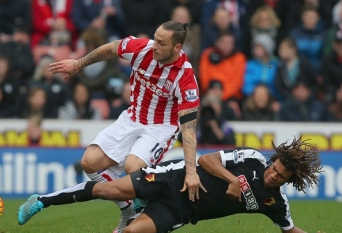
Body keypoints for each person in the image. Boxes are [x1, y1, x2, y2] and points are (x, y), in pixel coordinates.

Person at [48, 20, 203, 232]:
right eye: (154, 38)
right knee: (89, 162)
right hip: (132, 118)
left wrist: (191, 171)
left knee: (133, 167)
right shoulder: (141, 49)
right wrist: (78, 64)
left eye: (161, 43)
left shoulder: (185, 78)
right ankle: (128, 208)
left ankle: (145, 215)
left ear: (177, 47)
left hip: (161, 127)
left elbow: (189, 129)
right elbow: (111, 48)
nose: (154, 45)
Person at [17, 137, 322, 233]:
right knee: (106, 190)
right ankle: (42, 201)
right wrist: (233, 180)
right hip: (172, 177)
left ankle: (134, 214)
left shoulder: (275, 204)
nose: (272, 175)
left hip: (180, 210)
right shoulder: (254, 159)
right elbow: (205, 160)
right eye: (275, 167)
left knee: (131, 232)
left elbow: (290, 230)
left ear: (287, 181)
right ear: (274, 160)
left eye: (280, 176)